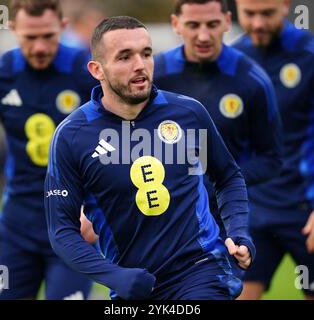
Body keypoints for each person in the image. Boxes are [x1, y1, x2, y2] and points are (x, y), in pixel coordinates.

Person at [45, 15, 255, 300]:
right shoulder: (71, 136)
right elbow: (62, 232)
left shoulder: (189, 114)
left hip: (201, 271)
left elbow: (228, 176)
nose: (140, 65)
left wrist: (238, 232)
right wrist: (115, 276)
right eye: (124, 57)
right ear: (97, 69)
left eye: (146, 53)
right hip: (134, 287)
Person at [0, 0, 97, 300]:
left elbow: (120, 139)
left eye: (48, 36)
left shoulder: (88, 72)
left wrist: (99, 208)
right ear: (13, 29)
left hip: (73, 227)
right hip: (17, 227)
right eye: (30, 37)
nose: (40, 47)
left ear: (63, 27)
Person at [233, 0, 314, 300]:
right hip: (253, 215)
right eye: (249, 14)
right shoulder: (235, 60)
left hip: (309, 214)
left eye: (267, 13)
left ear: (285, 6)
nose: (257, 24)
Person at [154, 0, 282, 278]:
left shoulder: (251, 80)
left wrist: (217, 181)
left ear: (226, 22)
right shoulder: (155, 75)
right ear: (176, 24)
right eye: (193, 25)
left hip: (223, 225)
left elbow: (271, 159)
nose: (203, 35)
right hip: (161, 222)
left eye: (212, 25)